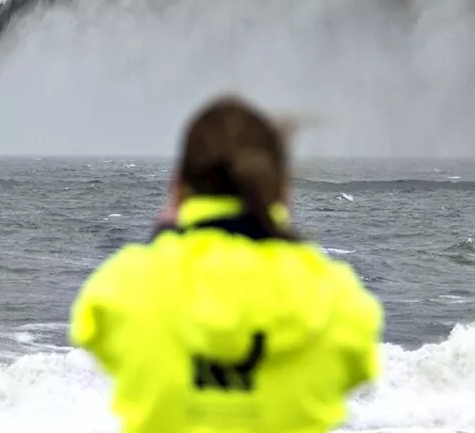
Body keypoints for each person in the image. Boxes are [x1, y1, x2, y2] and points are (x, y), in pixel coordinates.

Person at [69, 94, 384, 433]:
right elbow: (360, 365)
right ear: (283, 189)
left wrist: (163, 237)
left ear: (177, 188)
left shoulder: (123, 288)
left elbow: (94, 333)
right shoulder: (339, 299)